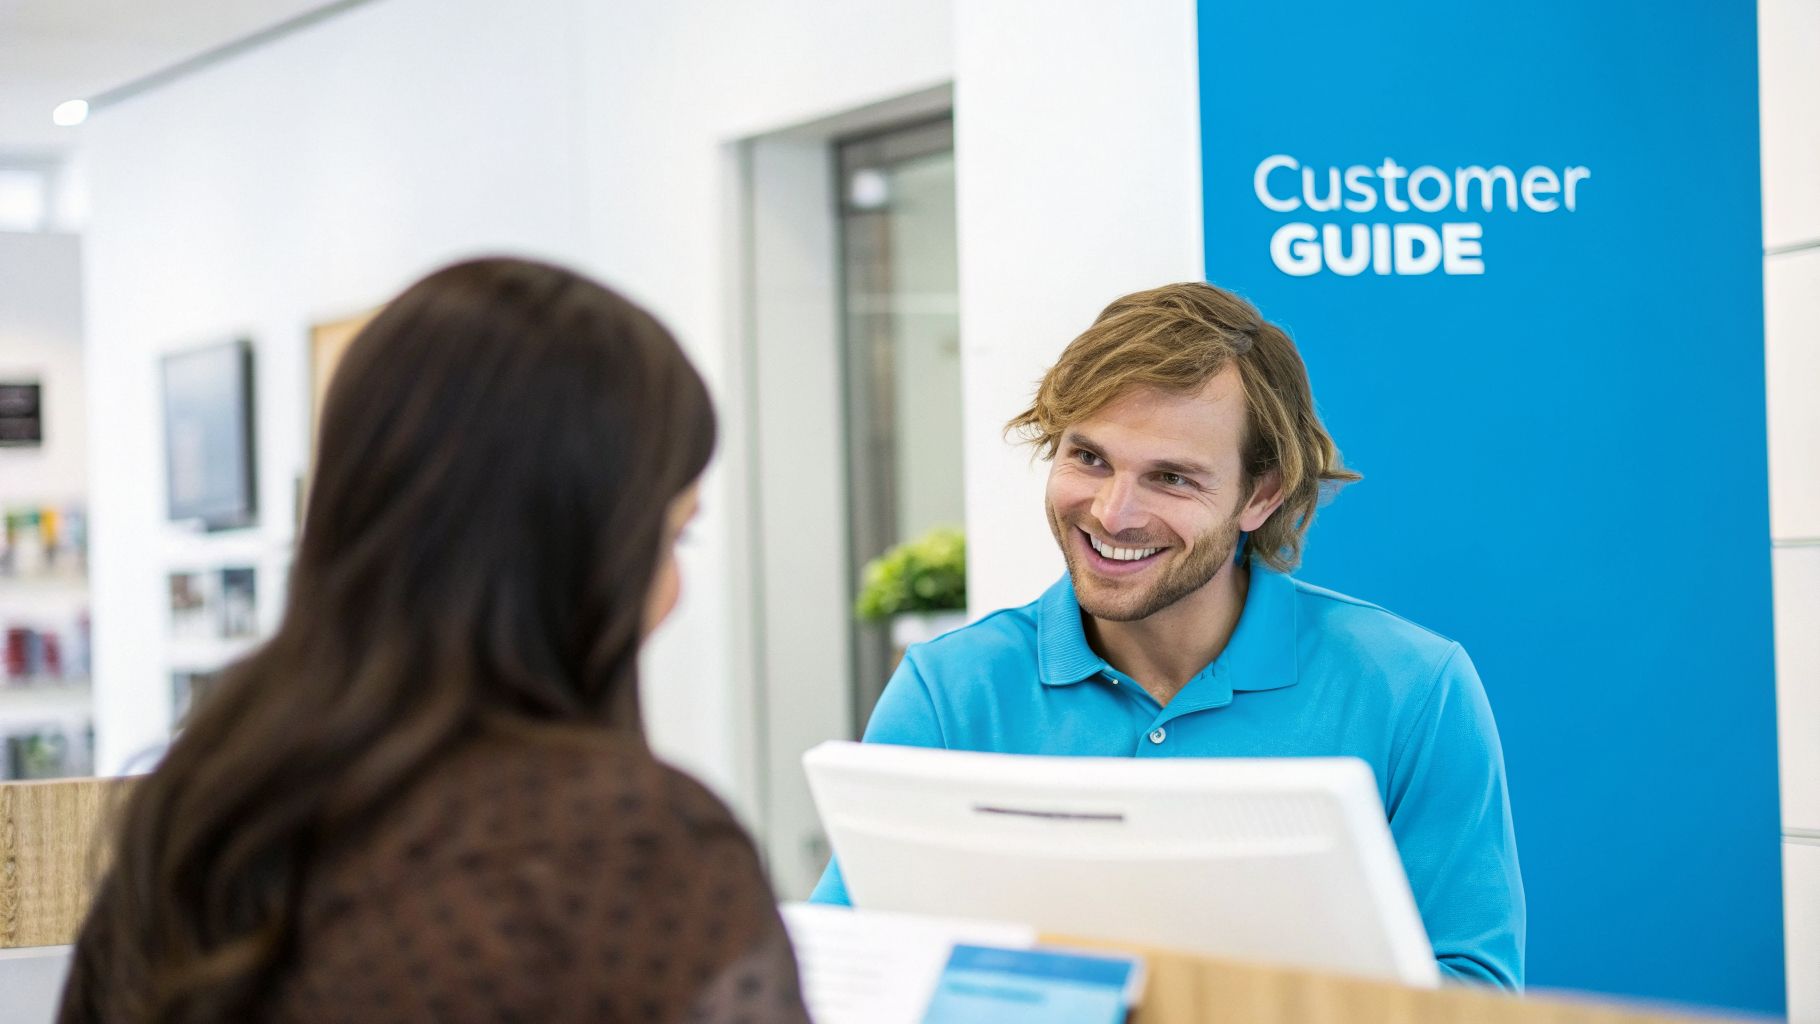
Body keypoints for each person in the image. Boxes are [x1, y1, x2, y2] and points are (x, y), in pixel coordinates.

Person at [59, 258, 810, 1023]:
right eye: (673, 534)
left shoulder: (205, 805)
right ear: (582, 550)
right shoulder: (635, 852)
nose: (673, 591)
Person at [810, 281, 1525, 989]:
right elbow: (851, 964)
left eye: (1172, 478)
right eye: (1088, 458)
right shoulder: (950, 691)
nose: (1114, 513)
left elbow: (1477, 989)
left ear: (1261, 494)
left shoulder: (1410, 688)